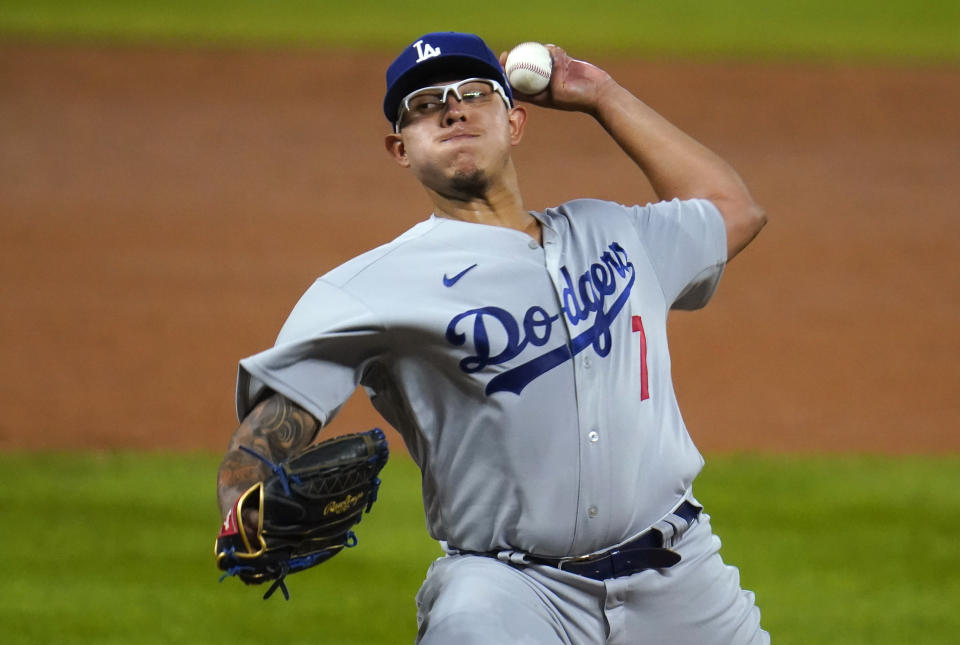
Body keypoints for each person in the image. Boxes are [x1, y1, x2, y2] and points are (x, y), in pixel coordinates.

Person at [217, 31, 769, 644]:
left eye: (473, 94)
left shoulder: (614, 232)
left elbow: (733, 208)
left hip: (679, 574)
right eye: (425, 105)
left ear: (516, 120)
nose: (452, 109)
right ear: (400, 149)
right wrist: (242, 508)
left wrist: (602, 95)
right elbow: (262, 436)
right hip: (511, 593)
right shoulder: (370, 288)